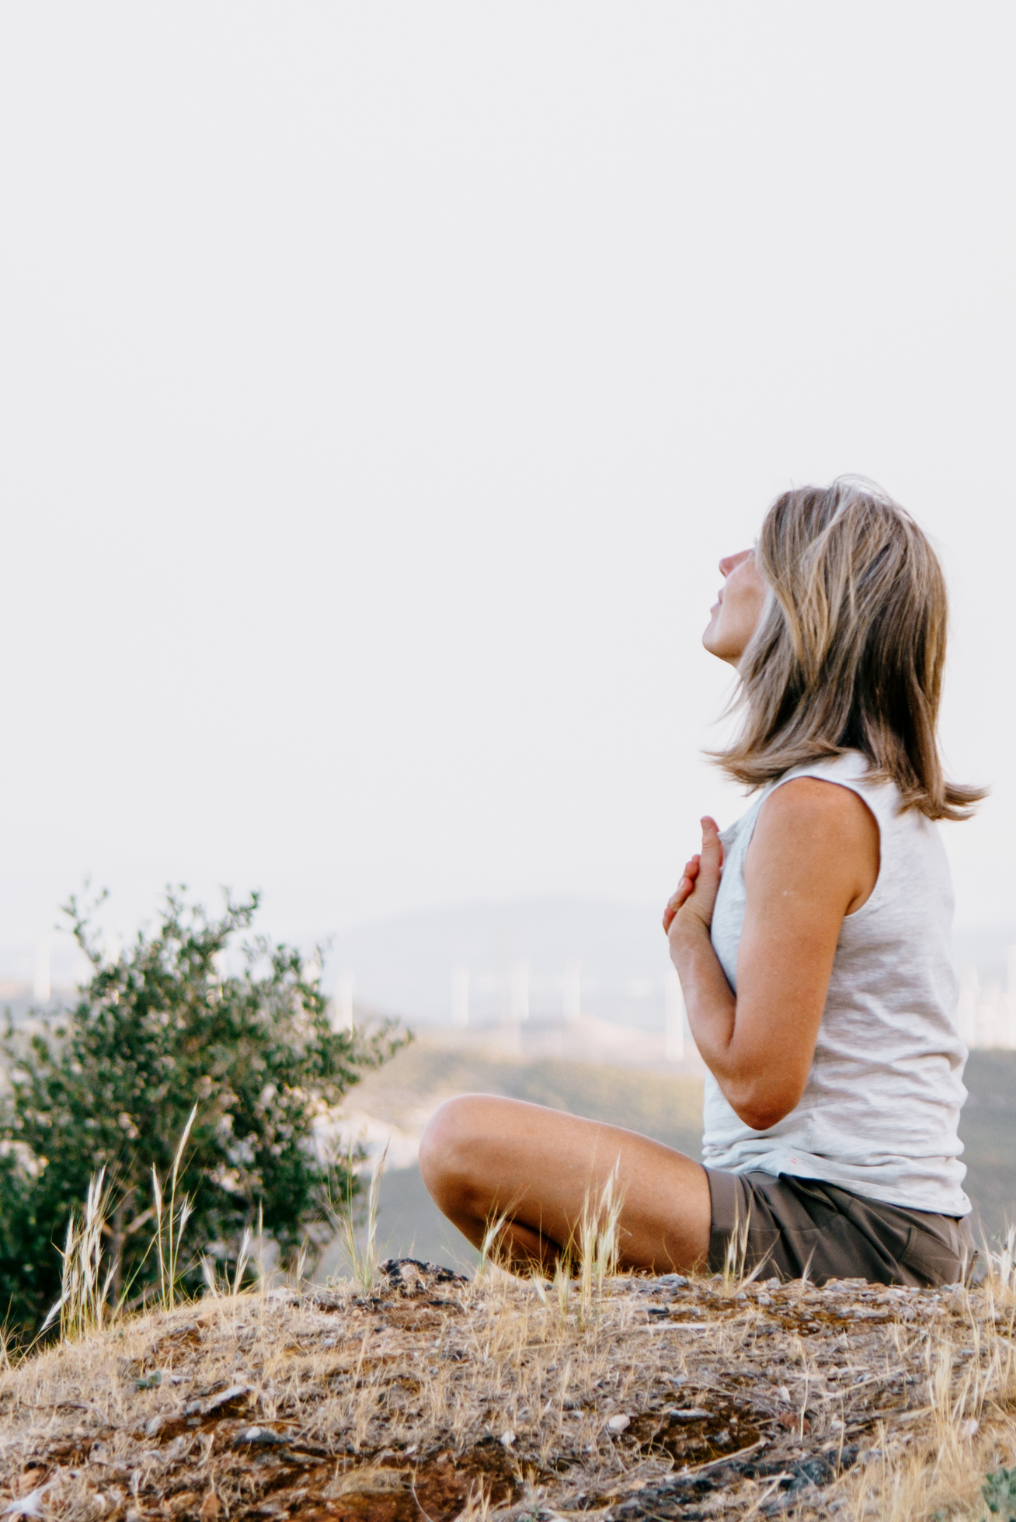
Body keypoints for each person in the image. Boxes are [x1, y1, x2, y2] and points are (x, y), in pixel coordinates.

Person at [419, 479, 981, 1286]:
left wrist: (687, 948)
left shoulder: (818, 809)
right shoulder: (845, 794)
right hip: (844, 1218)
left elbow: (760, 1085)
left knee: (458, 1139)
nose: (727, 561)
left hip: (855, 1228)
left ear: (809, 599)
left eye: (757, 550)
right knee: (508, 1195)